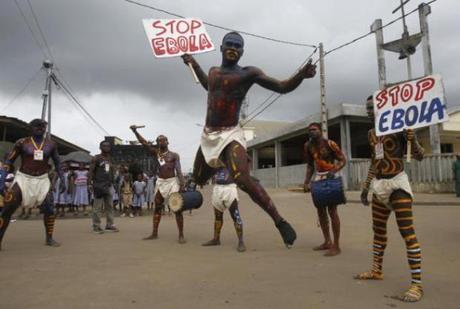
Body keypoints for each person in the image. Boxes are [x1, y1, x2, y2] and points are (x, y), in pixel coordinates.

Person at [181, 31, 316, 247]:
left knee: (243, 179)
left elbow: (282, 86)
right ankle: (192, 201)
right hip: (209, 135)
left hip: (231, 133)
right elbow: (210, 87)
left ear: (242, 51)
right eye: (230, 44)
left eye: (238, 45)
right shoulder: (213, 72)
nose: (233, 48)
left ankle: (280, 222)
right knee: (196, 180)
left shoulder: (248, 74)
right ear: (222, 47)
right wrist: (193, 63)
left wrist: (301, 75)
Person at [355, 95, 425, 302]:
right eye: (367, 108)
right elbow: (375, 161)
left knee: (407, 232)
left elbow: (420, 156)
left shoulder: (400, 128)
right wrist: (366, 186)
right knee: (378, 231)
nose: (369, 111)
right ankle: (377, 270)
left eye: (373, 107)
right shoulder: (371, 133)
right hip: (379, 185)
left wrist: (413, 139)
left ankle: (417, 285)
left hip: (397, 184)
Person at [0, 119, 64, 249]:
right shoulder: (22, 143)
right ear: (30, 128)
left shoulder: (51, 144)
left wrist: (62, 179)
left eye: (43, 126)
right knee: (7, 208)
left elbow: (58, 163)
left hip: (42, 180)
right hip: (23, 178)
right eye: (37, 126)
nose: (40, 128)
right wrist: (2, 181)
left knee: (50, 209)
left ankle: (49, 238)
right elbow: (9, 161)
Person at [130, 126, 186, 244]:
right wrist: (135, 131)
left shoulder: (174, 155)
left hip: (172, 182)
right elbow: (144, 143)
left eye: (163, 139)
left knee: (177, 209)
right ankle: (154, 233)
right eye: (159, 140)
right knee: (157, 207)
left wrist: (182, 183)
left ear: (167, 142)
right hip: (160, 182)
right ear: (157, 143)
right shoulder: (156, 153)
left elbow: (179, 170)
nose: (161, 141)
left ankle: (181, 235)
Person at [303, 122, 346, 256]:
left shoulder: (330, 144)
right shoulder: (308, 146)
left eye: (314, 130)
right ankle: (327, 241)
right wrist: (306, 182)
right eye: (310, 130)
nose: (312, 132)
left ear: (321, 131)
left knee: (332, 211)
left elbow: (342, 160)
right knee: (321, 212)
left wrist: (335, 169)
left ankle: (336, 245)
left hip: (331, 178)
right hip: (318, 179)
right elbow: (310, 165)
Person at [202, 167, 246, 252]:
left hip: (230, 188)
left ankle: (241, 241)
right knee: (218, 216)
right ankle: (216, 239)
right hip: (217, 189)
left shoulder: (232, 158)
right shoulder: (216, 161)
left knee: (235, 216)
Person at [88, 141, 119, 234]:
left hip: (108, 185)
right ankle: (96, 226)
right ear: (100, 147)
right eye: (104, 146)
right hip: (98, 185)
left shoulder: (110, 159)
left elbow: (112, 171)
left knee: (109, 206)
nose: (106, 147)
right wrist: (89, 183)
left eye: (108, 146)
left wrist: (113, 181)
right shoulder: (96, 158)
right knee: (97, 207)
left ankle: (109, 225)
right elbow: (91, 171)